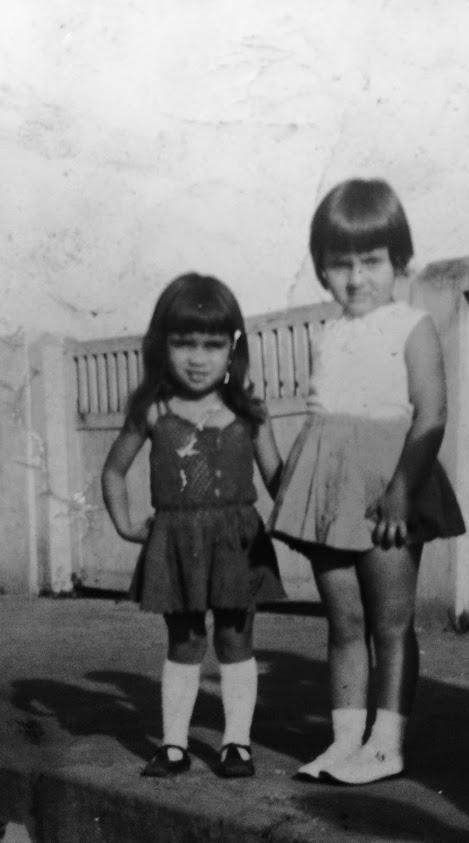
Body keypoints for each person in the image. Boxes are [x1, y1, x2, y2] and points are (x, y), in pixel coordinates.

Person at [268, 178, 465, 785]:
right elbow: (324, 424)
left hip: (389, 486)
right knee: (344, 623)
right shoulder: (326, 334)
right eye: (340, 264)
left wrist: (401, 491)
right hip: (333, 491)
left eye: (371, 261)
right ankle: (345, 741)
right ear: (321, 269)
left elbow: (431, 415)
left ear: (398, 260)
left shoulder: (413, 324)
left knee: (390, 623)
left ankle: (386, 745)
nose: (356, 278)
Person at [102, 273, 285, 779]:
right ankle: (174, 746)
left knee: (235, 639)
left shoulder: (250, 412)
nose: (198, 358)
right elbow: (114, 470)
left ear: (233, 349)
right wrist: (125, 525)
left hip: (237, 544)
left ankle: (236, 744)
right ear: (161, 345)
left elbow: (279, 479)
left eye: (213, 344)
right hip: (177, 542)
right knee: (183, 642)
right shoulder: (154, 410)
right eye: (184, 343)